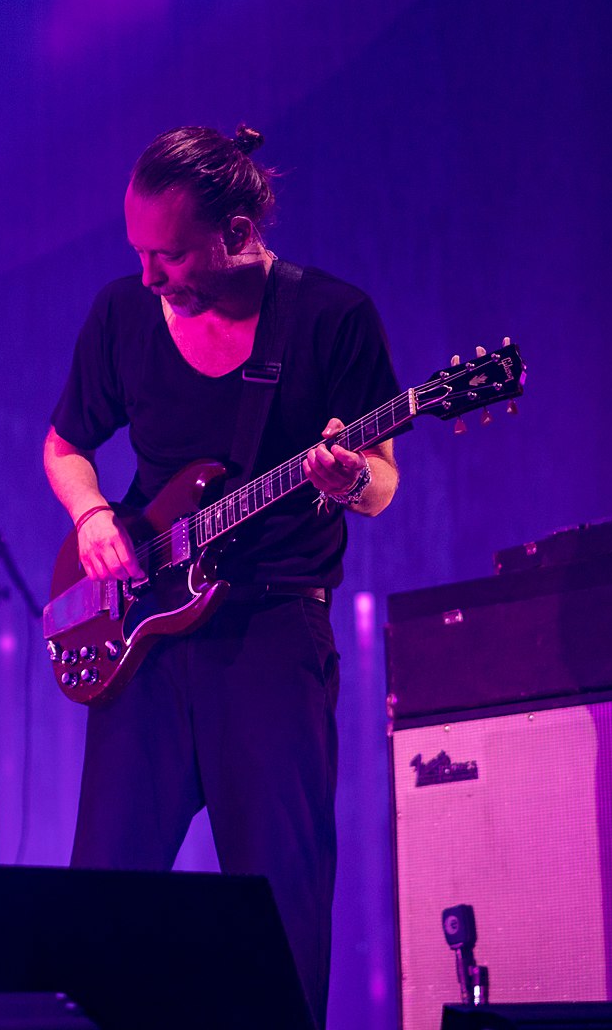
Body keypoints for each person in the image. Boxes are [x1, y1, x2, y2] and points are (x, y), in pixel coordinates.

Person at [43, 125, 400, 1023]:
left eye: (168, 255)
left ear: (236, 232)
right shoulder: (122, 316)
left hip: (273, 636)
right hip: (147, 644)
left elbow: (384, 482)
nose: (148, 275)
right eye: (138, 252)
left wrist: (348, 478)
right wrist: (93, 517)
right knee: (102, 906)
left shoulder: (330, 317)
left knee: (280, 902)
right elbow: (64, 447)